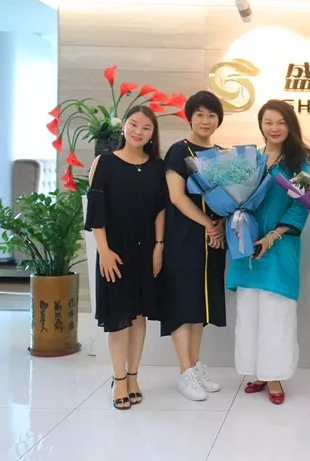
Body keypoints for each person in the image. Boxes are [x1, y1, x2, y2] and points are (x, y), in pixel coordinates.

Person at [227, 99, 310, 405]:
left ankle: (274, 376)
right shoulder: (250, 159)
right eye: (268, 122)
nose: (274, 128)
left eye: (281, 122)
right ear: (261, 125)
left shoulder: (299, 162)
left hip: (279, 247)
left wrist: (273, 236)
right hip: (247, 246)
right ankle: (258, 372)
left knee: (276, 314)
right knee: (249, 312)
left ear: (290, 125)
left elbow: (301, 206)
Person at [85, 105, 166, 410]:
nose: (138, 131)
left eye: (146, 127)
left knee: (138, 316)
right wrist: (103, 251)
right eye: (134, 124)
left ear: (153, 134)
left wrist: (159, 246)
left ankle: (133, 376)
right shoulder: (104, 163)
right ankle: (118, 379)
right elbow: (96, 212)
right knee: (118, 318)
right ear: (123, 127)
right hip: (114, 251)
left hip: (146, 250)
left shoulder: (157, 167)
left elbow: (160, 210)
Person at [161, 90, 227, 402]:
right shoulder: (178, 151)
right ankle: (184, 371)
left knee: (200, 306)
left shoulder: (223, 155)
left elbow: (231, 198)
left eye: (211, 115)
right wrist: (208, 224)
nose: (205, 120)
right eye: (199, 114)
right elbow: (176, 197)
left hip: (212, 241)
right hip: (183, 237)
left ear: (218, 120)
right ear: (190, 117)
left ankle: (196, 365)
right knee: (181, 303)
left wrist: (220, 225)